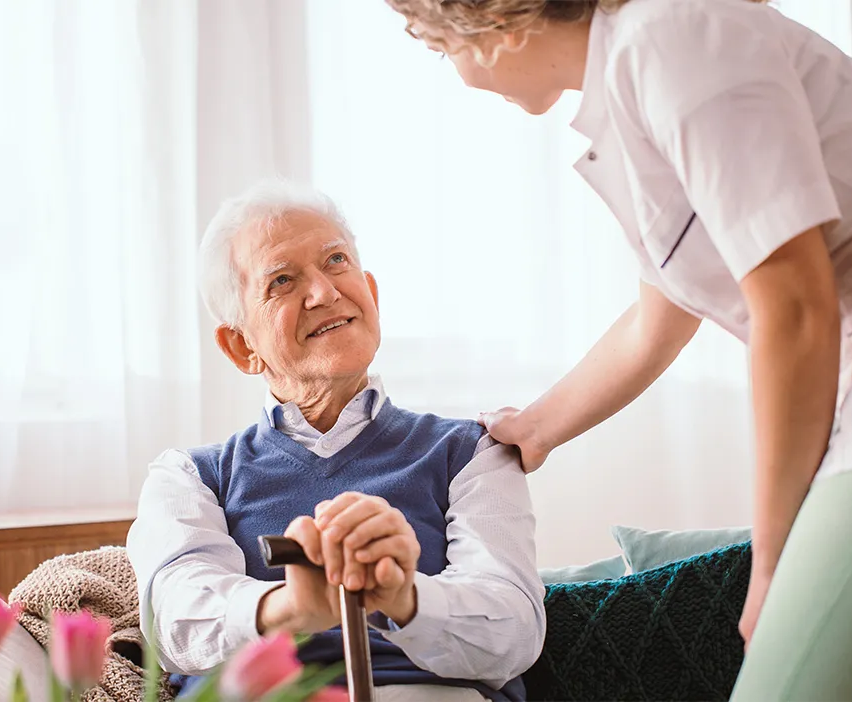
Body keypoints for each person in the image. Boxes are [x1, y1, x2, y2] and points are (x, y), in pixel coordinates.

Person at [382, 0, 852, 699]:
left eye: (440, 47)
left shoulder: (671, 42)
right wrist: (535, 429)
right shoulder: (639, 82)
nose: (454, 71)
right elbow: (657, 320)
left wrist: (775, 559)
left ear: (495, 25)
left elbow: (794, 307)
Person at [126, 181, 545, 702]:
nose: (325, 292)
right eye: (282, 280)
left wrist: (403, 596)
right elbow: (171, 620)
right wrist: (290, 608)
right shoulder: (189, 476)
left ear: (371, 292)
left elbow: (515, 631)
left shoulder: (473, 452)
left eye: (336, 261)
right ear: (241, 346)